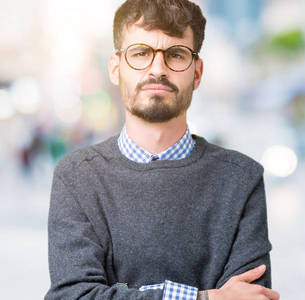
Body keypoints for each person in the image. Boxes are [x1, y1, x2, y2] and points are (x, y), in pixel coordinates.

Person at [45, 1, 280, 299]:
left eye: (176, 55)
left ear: (197, 72)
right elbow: (74, 296)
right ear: (116, 68)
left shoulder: (241, 179)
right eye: (141, 53)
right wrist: (205, 297)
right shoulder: (77, 176)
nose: (158, 68)